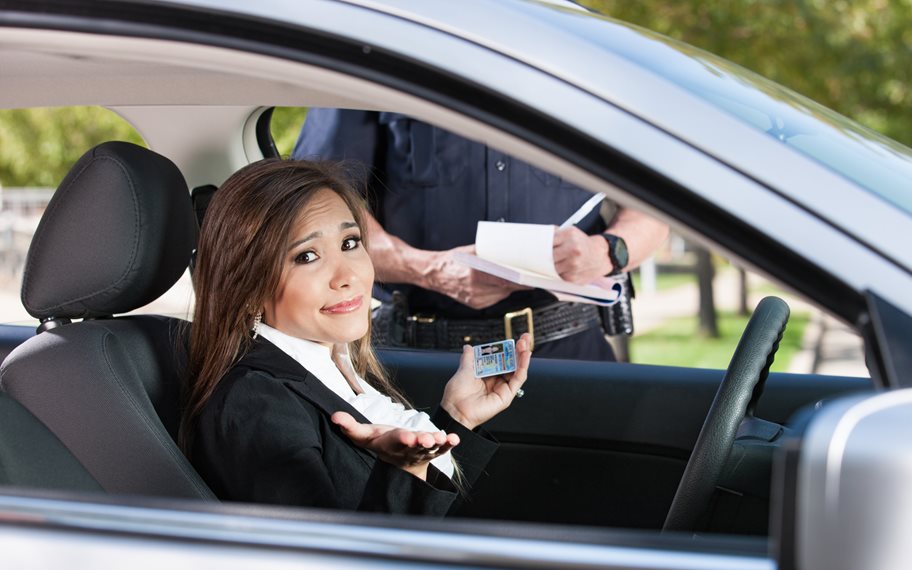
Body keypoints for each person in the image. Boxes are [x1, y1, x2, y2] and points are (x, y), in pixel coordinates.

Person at [181, 159, 531, 516]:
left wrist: (457, 418)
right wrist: (402, 470)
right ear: (248, 284)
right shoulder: (255, 402)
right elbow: (327, 563)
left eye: (350, 243)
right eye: (307, 256)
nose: (348, 275)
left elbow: (434, 516)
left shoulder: (333, 363)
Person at [293, 109, 669, 361]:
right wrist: (427, 269)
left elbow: (655, 205)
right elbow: (313, 199)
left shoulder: (586, 46)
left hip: (572, 352)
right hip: (421, 357)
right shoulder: (387, 34)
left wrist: (605, 252)